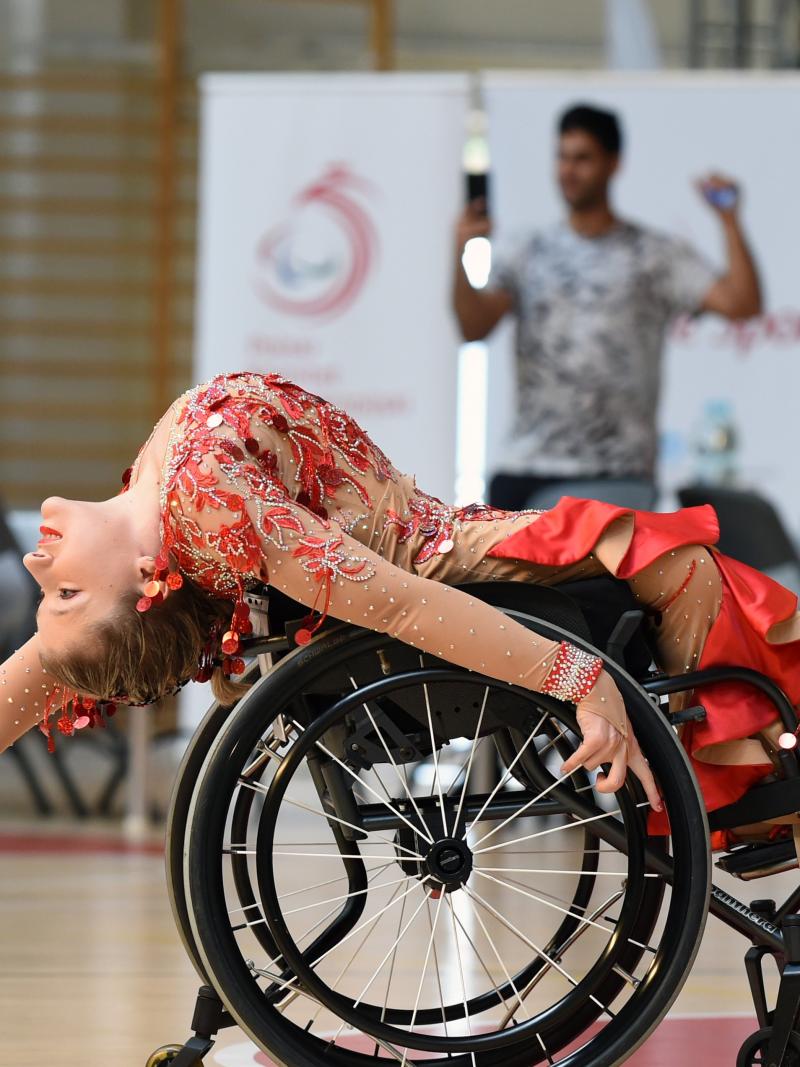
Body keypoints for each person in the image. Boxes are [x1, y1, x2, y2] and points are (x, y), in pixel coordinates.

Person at [1, 372, 797, 830]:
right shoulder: (207, 508)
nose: (37, 563)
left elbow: (35, 670)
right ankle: (722, 804)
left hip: (424, 534)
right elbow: (407, 607)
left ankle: (722, 773)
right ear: (147, 582)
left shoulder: (163, 519)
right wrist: (577, 677)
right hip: (432, 555)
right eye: (62, 591)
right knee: (677, 556)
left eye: (46, 590)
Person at [453, 103, 763, 512]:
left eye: (583, 158)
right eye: (562, 156)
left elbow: (742, 303)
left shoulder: (653, 254)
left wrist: (729, 220)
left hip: (619, 472)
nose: (568, 170)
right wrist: (459, 254)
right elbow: (473, 326)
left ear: (613, 163)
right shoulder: (528, 250)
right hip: (527, 467)